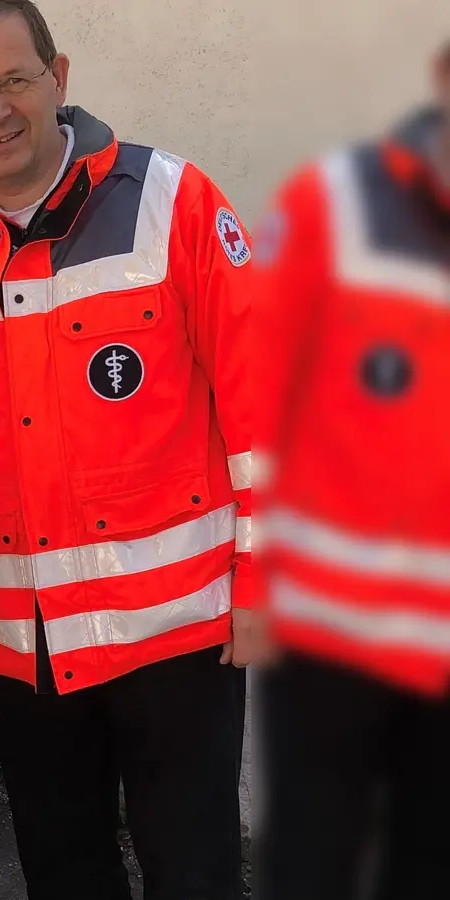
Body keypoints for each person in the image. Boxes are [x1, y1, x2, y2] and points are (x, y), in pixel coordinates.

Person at [0, 1, 254, 897]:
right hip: (26, 649)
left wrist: (265, 581)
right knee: (64, 874)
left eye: (14, 79)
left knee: (195, 874)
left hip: (179, 633)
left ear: (60, 77)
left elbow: (263, 406)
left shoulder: (172, 200)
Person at [253, 38, 450, 900]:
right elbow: (257, 402)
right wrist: (252, 585)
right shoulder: (334, 202)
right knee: (311, 867)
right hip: (331, 636)